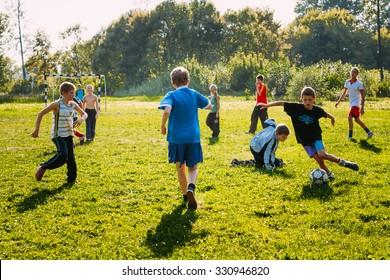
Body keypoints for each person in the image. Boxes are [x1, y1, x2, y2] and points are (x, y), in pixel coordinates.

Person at [258, 86, 359, 181]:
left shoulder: (316, 110)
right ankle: (329, 174)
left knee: (322, 154)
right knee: (319, 161)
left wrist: (332, 118)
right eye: (305, 100)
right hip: (305, 141)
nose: (307, 102)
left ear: (314, 99)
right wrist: (267, 105)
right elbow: (282, 103)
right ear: (301, 98)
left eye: (310, 100)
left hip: (315, 137)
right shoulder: (296, 108)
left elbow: (325, 114)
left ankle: (344, 163)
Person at [158, 66, 212, 210]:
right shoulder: (194, 94)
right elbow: (209, 105)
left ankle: (184, 195)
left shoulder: (172, 95)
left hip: (176, 139)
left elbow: (167, 109)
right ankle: (191, 188)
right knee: (193, 168)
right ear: (188, 81)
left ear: (173, 83)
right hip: (193, 138)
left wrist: (163, 125)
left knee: (180, 168)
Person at [30, 82, 88, 183]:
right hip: (58, 135)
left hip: (69, 135)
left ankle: (71, 179)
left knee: (71, 158)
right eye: (71, 93)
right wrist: (36, 130)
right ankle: (43, 167)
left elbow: (85, 114)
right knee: (63, 155)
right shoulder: (57, 104)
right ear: (63, 93)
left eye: (73, 93)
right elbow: (40, 114)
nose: (73, 95)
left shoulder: (73, 105)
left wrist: (80, 120)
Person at [335, 67, 373, 140]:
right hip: (351, 103)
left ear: (357, 74)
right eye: (352, 71)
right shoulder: (347, 82)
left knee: (349, 117)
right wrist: (338, 102)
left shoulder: (359, 84)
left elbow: (363, 96)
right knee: (357, 120)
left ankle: (350, 136)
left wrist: (362, 108)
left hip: (356, 103)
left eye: (355, 72)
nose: (353, 73)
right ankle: (369, 132)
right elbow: (344, 93)